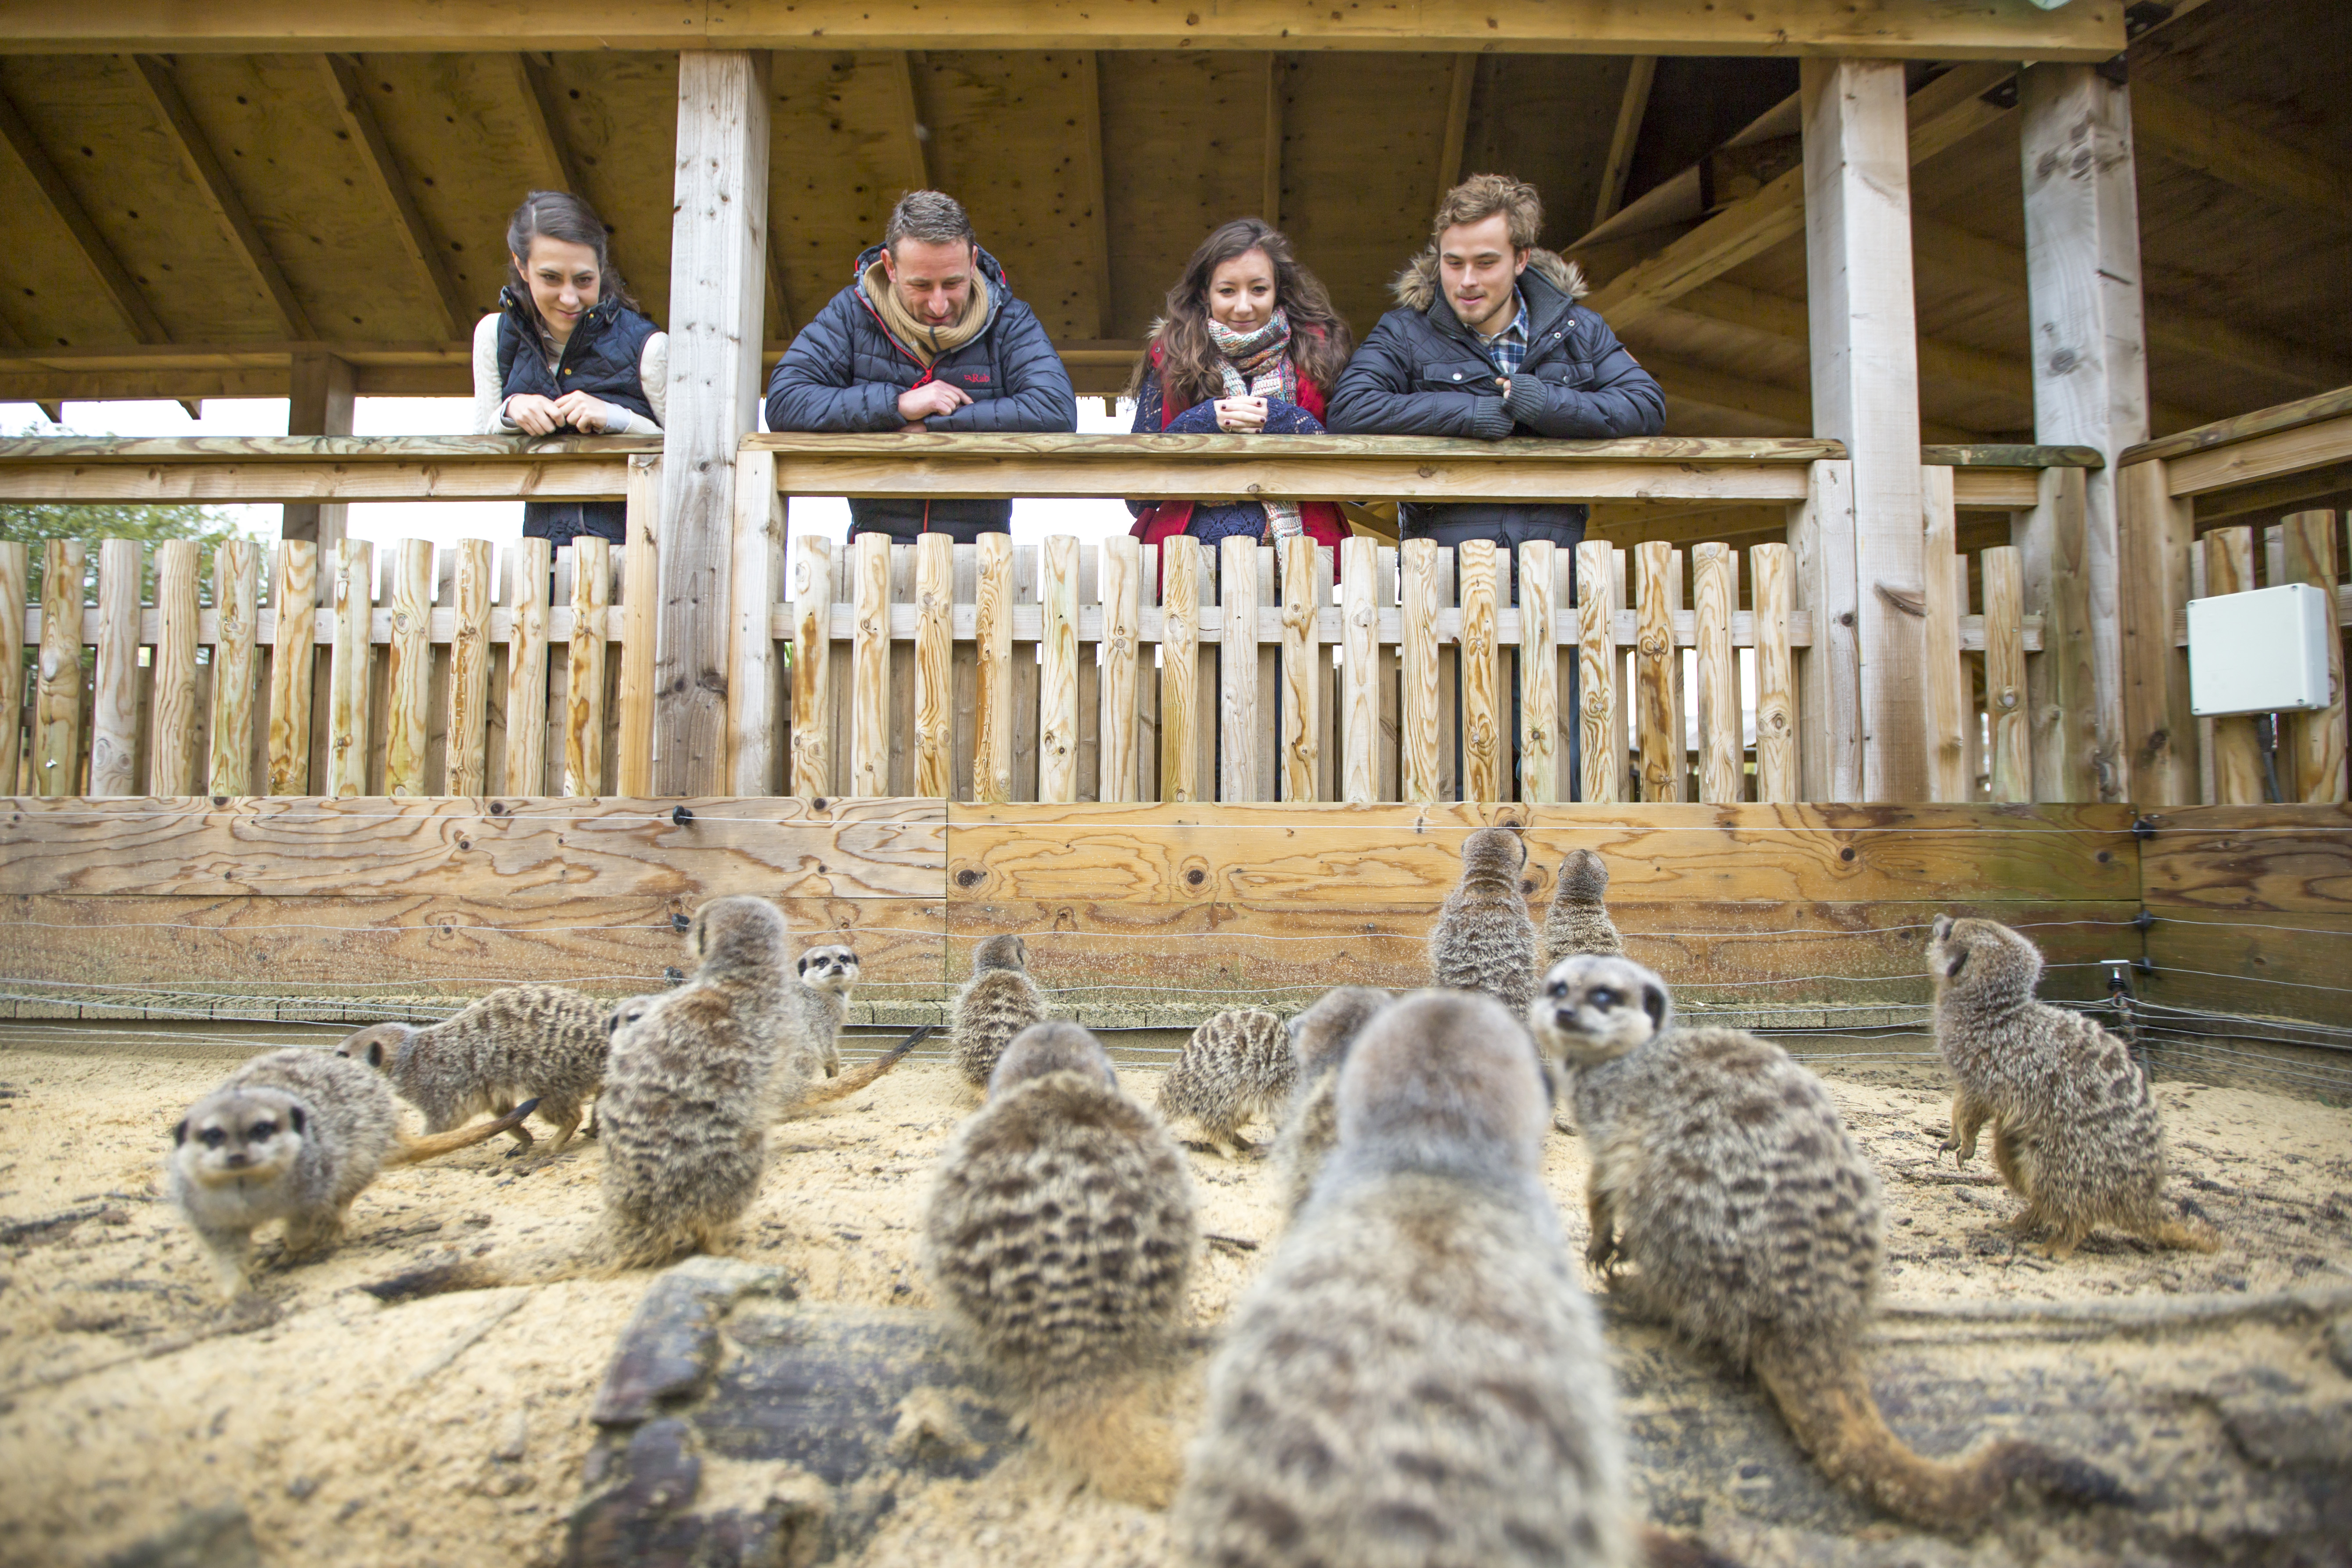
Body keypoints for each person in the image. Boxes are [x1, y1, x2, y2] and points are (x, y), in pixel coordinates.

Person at [1327, 173, 1664, 552]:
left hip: (1551, 577)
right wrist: (1472, 413)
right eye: (1453, 263)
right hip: (1440, 585)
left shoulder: (1579, 328)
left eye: (1485, 263)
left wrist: (1544, 403)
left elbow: (1645, 403)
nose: (1466, 281)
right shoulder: (1405, 330)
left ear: (1521, 259)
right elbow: (1349, 409)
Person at [764, 190, 1078, 542]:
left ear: (973, 261)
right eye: (922, 285)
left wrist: (931, 425)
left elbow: (1056, 409)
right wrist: (897, 405)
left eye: (954, 283)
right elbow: (785, 399)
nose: (940, 304)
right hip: (875, 558)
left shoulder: (1011, 320)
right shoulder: (850, 315)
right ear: (890, 266)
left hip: (981, 563)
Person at [1125, 218, 1352, 553]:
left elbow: (1356, 482)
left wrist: (1284, 420)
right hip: (1187, 560)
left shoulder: (1321, 354)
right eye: (1228, 291)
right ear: (1205, 293)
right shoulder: (1170, 357)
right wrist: (1204, 421)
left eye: (1259, 289)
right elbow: (1136, 495)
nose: (1244, 306)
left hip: (1301, 562)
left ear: (1279, 290)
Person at [471, 190, 664, 546]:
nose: (570, 298)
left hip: (638, 557)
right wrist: (511, 412)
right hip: (540, 561)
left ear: (602, 268)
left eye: (584, 280)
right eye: (551, 278)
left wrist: (617, 418)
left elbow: (691, 455)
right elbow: (483, 437)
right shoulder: (493, 336)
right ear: (521, 265)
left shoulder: (650, 347)